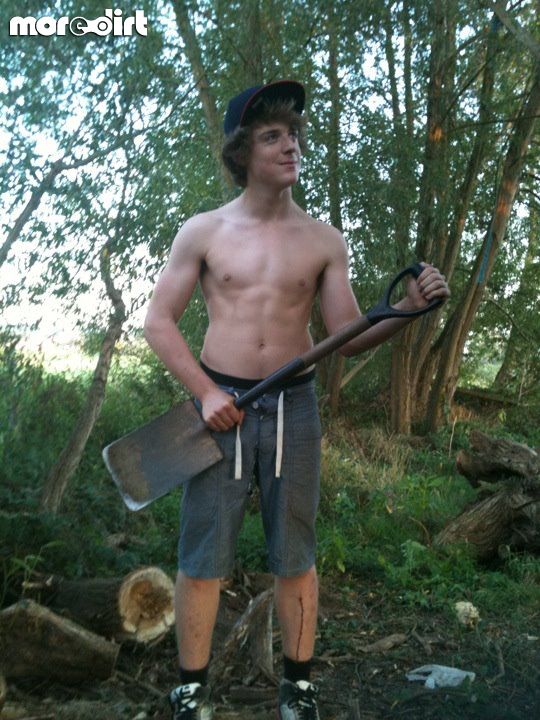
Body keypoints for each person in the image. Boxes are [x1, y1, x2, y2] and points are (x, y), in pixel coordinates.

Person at [143, 80, 450, 720]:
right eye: (272, 136)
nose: (291, 146)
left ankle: (298, 689)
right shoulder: (203, 231)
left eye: (294, 135)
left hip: (294, 408)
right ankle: (191, 691)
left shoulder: (323, 240)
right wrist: (204, 394)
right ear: (242, 152)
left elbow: (348, 338)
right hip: (220, 410)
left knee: (295, 554)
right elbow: (158, 322)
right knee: (203, 557)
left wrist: (407, 309)